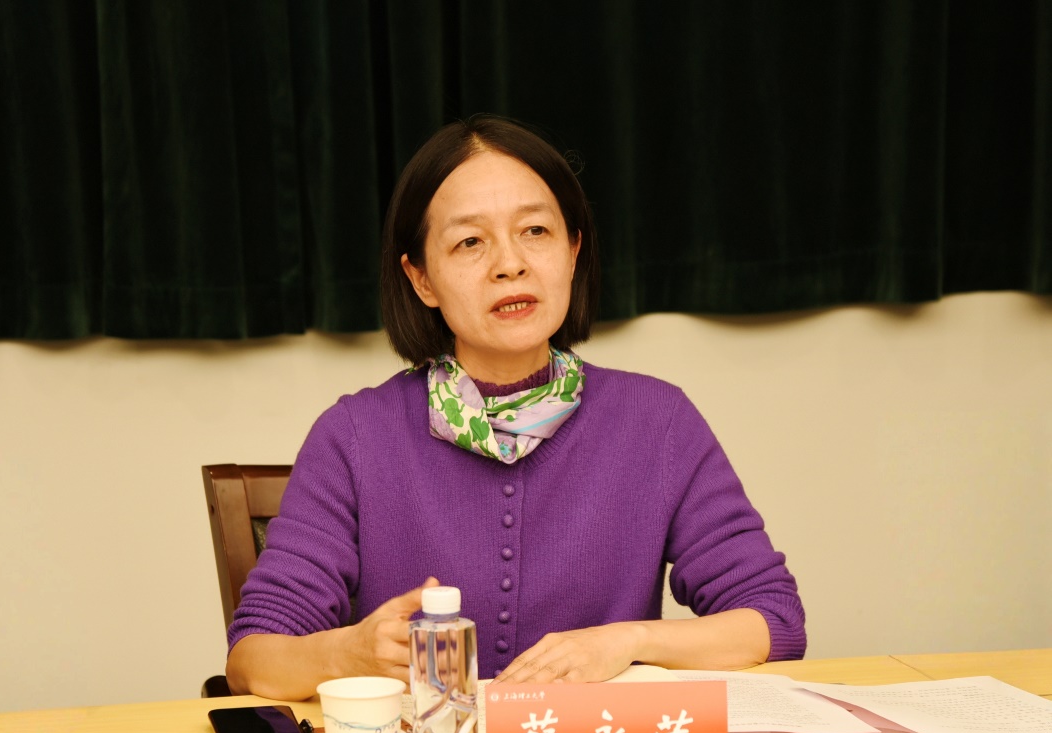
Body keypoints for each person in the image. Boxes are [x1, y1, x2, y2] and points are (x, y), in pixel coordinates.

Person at [225, 114, 806, 701]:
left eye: (535, 231)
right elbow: (251, 661)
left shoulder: (657, 420)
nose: (510, 263)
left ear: (573, 250)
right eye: (470, 242)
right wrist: (346, 652)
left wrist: (625, 640)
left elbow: (772, 620)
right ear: (421, 279)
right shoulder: (353, 435)